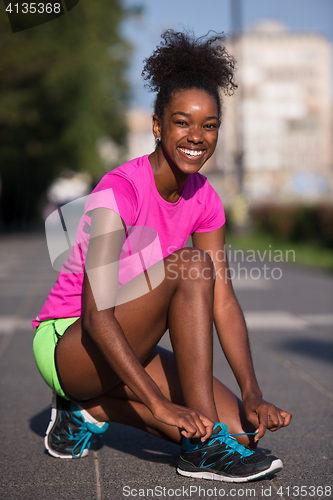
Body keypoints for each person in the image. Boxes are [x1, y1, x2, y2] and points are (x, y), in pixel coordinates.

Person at [32, 30, 291, 482]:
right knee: (191, 265)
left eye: (209, 125)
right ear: (157, 125)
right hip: (69, 343)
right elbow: (96, 316)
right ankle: (202, 449)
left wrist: (252, 391)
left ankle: (91, 409)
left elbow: (223, 301)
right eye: (182, 122)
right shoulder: (121, 191)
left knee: (246, 432)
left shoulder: (205, 198)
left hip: (129, 337)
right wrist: (158, 402)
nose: (197, 136)